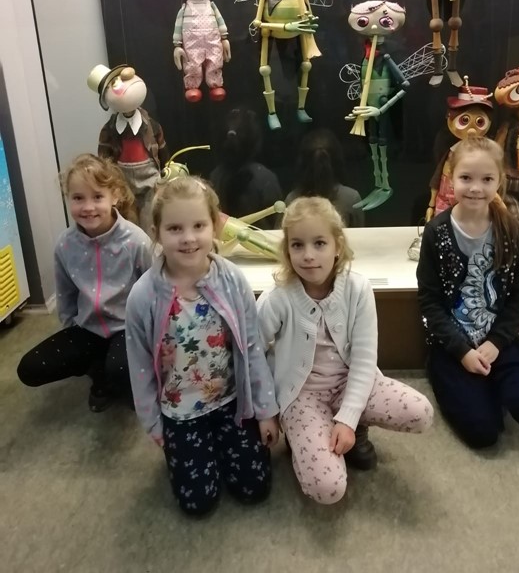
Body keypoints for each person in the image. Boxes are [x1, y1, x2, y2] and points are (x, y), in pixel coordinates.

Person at [258, 197, 433, 504]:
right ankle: (303, 438)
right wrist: (267, 411)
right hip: (301, 397)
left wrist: (349, 420)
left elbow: (364, 360)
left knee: (421, 412)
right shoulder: (277, 298)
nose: (308, 255)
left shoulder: (358, 289)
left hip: (349, 383)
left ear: (337, 246)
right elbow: (251, 354)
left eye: (319, 243)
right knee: (327, 489)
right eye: (297, 245)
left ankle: (355, 429)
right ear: (287, 250)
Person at [125, 176, 279, 516]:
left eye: (198, 225)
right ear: (156, 232)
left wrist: (266, 410)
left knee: (254, 488)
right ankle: (195, 455)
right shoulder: (143, 296)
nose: (189, 238)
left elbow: (252, 347)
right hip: (180, 413)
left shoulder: (232, 279)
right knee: (198, 503)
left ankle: (219, 449)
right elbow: (139, 367)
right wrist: (154, 425)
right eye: (175, 228)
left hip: (233, 403)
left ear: (214, 226)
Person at [417, 136, 519, 448]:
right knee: (483, 432)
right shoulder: (436, 232)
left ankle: (498, 381)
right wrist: (462, 351)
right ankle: (460, 380)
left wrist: (496, 342)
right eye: (466, 178)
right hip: (452, 346)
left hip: (501, 340)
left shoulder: (511, 231)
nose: (476, 188)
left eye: (487, 179)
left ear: (499, 181)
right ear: (451, 178)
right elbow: (429, 302)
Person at [17, 153, 152, 411]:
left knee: (121, 369)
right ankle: (99, 370)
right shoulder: (65, 245)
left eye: (97, 197)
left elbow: (154, 290)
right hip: (87, 328)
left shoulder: (136, 241)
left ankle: (120, 375)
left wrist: (149, 334)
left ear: (115, 196)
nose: (88, 207)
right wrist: (73, 332)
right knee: (30, 369)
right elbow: (65, 294)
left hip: (128, 328)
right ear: (68, 198)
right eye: (78, 198)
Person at [285, 128, 365, 228]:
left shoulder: (292, 201)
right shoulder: (351, 198)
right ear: (338, 160)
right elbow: (360, 235)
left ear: (302, 163)